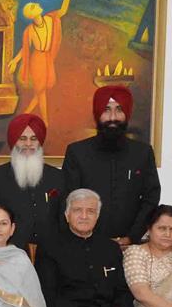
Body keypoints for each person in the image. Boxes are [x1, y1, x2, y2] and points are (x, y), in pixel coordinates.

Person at [61, 87, 160, 245]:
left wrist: (131, 237)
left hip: (130, 246)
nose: (113, 117)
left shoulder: (142, 153)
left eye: (119, 110)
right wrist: (87, 236)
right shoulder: (77, 152)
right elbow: (70, 199)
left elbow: (151, 198)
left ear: (126, 113)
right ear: (97, 113)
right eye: (106, 110)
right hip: (86, 244)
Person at [7, 0, 85, 123]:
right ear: (32, 14)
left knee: (41, 91)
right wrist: (15, 61)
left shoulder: (50, 19)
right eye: (33, 6)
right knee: (41, 92)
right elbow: (24, 49)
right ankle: (45, 121)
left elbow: (63, 10)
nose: (37, 4)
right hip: (36, 61)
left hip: (48, 59)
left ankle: (24, 116)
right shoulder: (29, 30)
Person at [0, 114, 64, 249]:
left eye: (33, 139)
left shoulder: (57, 176)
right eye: (22, 139)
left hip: (51, 253)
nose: (28, 144)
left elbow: (62, 219)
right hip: (9, 253)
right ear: (14, 141)